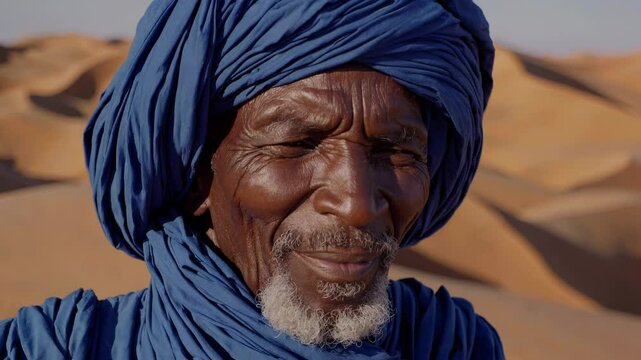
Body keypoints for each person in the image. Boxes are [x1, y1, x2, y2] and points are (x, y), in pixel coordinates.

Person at [0, 0, 503, 358]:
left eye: (395, 151)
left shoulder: (453, 345)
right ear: (197, 172)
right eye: (296, 145)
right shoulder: (53, 350)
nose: (356, 204)